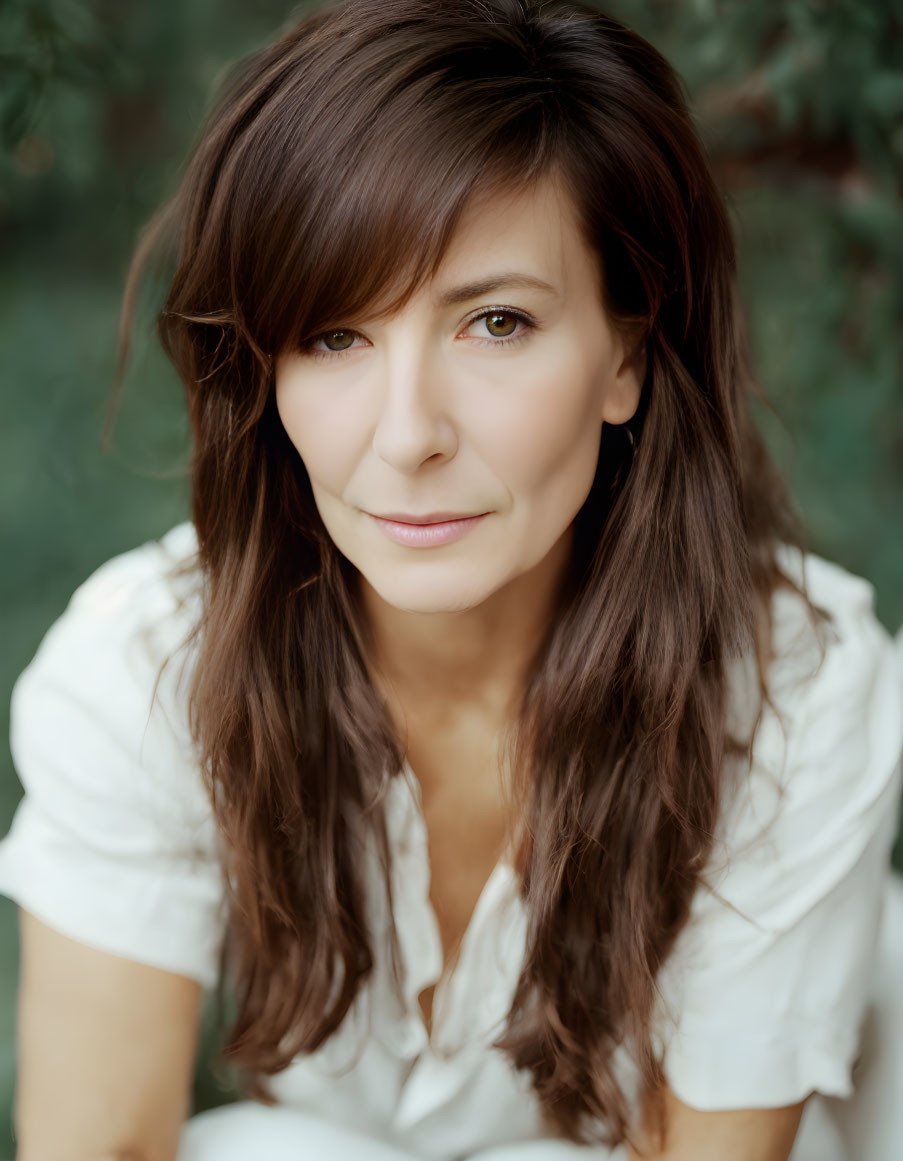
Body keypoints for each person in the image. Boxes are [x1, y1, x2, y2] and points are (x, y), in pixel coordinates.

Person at [1, 0, 902, 1159]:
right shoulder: (142, 664)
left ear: (626, 352)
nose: (408, 436)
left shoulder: (795, 688)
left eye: (494, 322)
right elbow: (97, 1144)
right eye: (335, 336)